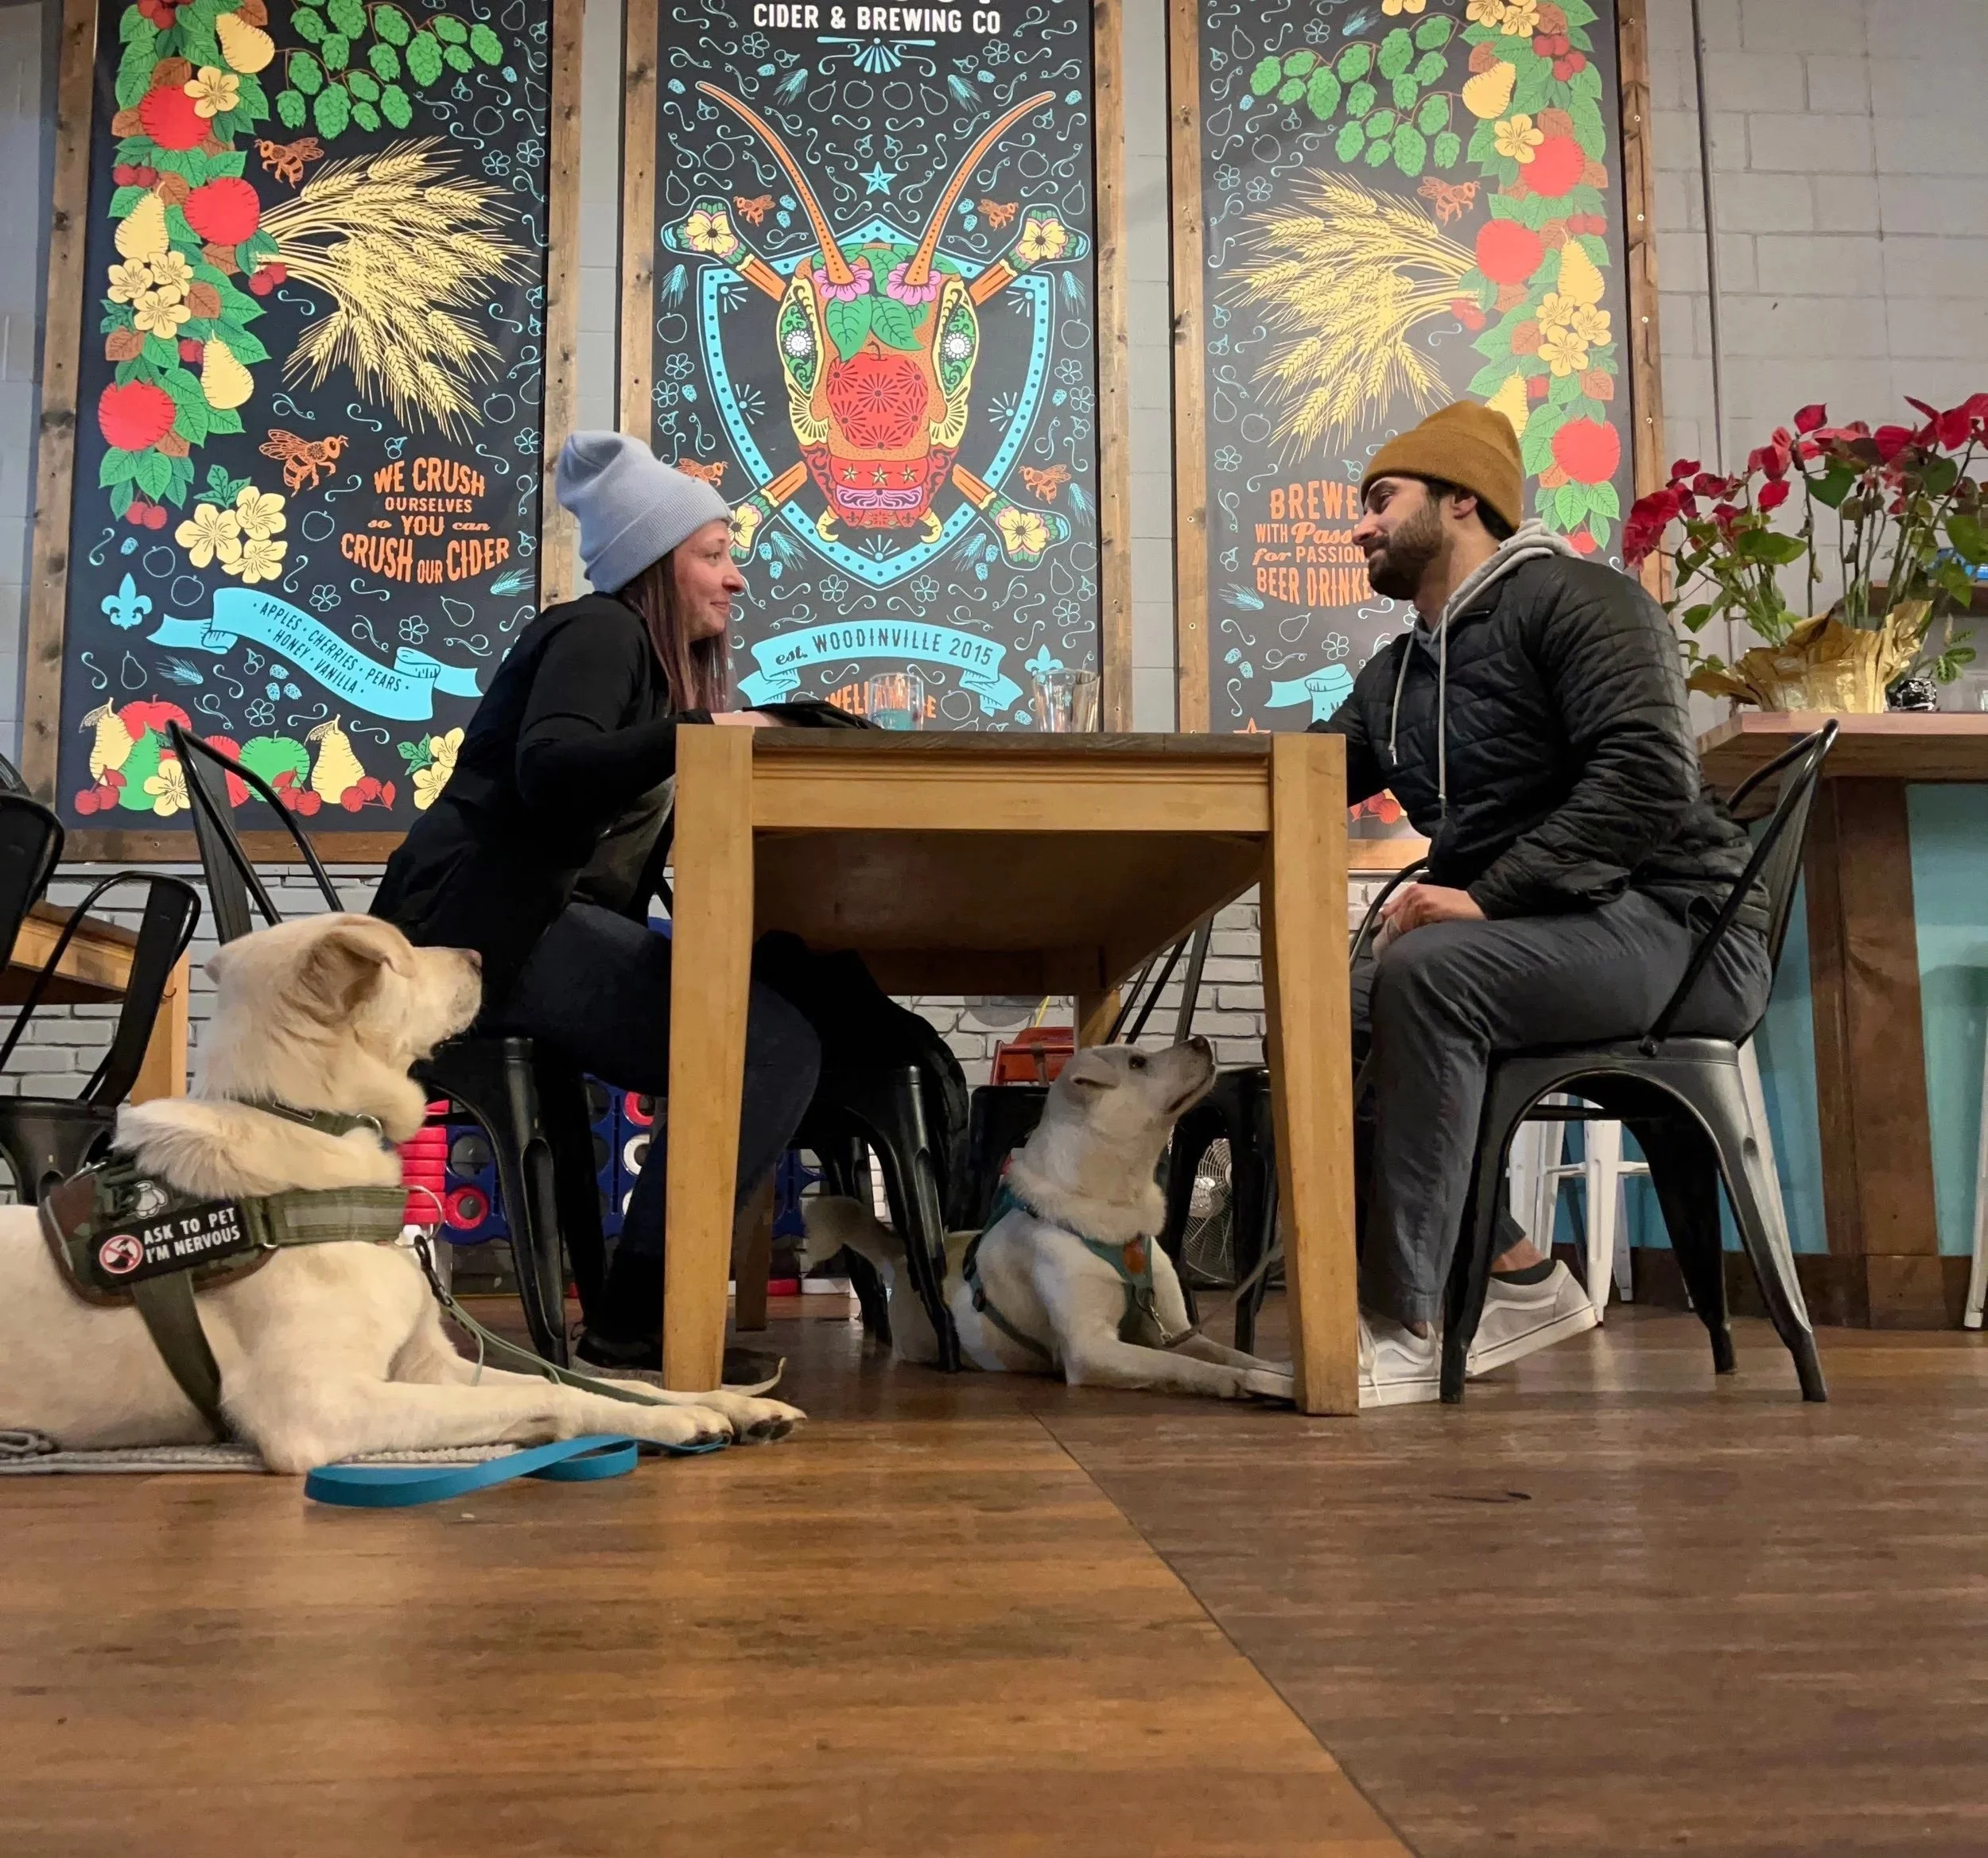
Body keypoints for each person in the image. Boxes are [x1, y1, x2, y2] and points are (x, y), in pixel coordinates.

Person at [1312, 401, 1770, 1404]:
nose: (1360, 526)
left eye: (1381, 499)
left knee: (1428, 971)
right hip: (1555, 931)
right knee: (1324, 1021)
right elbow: (1302, 775)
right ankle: (1516, 1278)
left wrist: (1484, 898)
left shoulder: (1581, 602)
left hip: (1677, 925)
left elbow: (1647, 779)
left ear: (1461, 501)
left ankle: (1410, 1326)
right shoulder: (1396, 675)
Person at [373, 432, 829, 1371]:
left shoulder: (649, 662)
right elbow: (549, 770)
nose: (735, 580)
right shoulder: (600, 630)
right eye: (712, 554)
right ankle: (638, 1316)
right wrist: (710, 730)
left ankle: (637, 1307)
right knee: (767, 1042)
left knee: (781, 1012)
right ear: (655, 568)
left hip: (517, 932)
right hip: (473, 940)